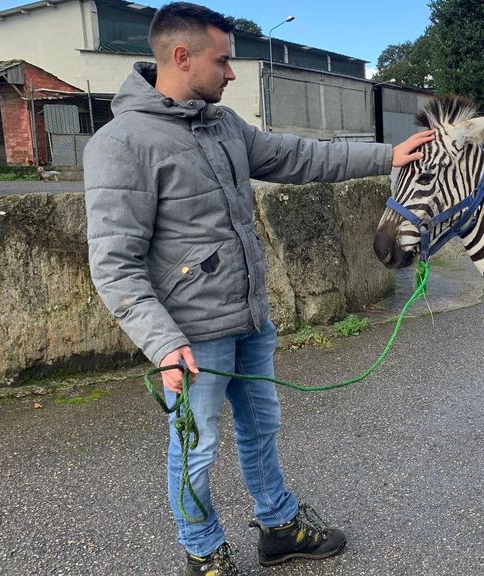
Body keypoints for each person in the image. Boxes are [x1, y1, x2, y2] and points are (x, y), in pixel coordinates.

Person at [83, 3, 434, 575]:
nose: (231, 73)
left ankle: (278, 525)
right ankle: (203, 550)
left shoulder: (222, 126)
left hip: (249, 320)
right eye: (222, 60)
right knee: (196, 448)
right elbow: (115, 264)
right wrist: (162, 344)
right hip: (191, 339)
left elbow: (299, 156)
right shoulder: (121, 144)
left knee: (262, 428)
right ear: (180, 56)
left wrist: (386, 155)